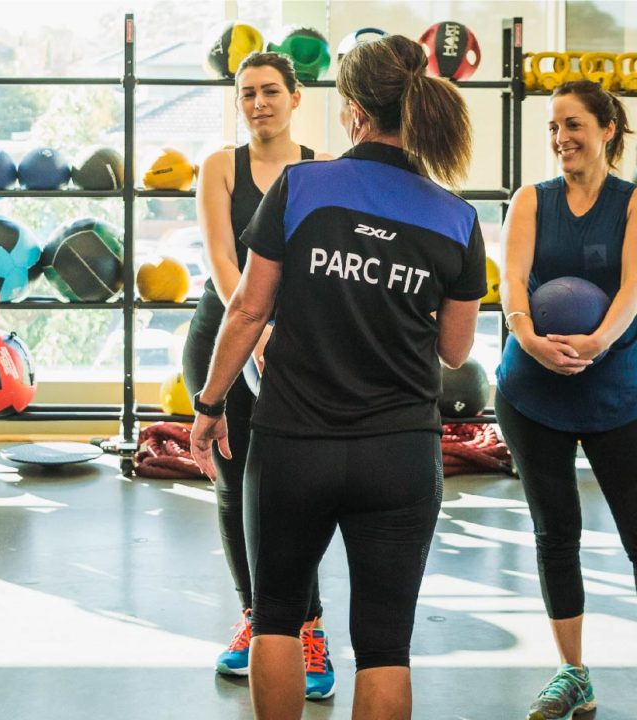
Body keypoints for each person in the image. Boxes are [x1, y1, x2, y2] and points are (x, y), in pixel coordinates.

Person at [191, 35, 484, 720]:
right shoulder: (457, 217)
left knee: (277, 619)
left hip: (296, 445)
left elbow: (247, 310)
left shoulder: (302, 186)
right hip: (400, 455)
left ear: (352, 112)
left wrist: (209, 407)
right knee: (385, 646)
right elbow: (454, 349)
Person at [181, 51, 335, 699]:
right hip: (227, 335)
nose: (258, 103)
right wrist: (256, 331)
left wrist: (286, 334)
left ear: (297, 97)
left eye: (271, 91)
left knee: (297, 488)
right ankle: (254, 615)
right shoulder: (221, 167)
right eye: (247, 93)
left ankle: (309, 626)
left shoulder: (323, 170)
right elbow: (223, 262)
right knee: (233, 481)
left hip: (292, 346)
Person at [495, 79, 636, 720]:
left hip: (618, 390)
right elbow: (513, 284)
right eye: (554, 127)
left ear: (608, 128)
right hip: (533, 389)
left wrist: (600, 342)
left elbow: (634, 289)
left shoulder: (633, 204)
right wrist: (528, 338)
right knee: (556, 534)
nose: (561, 139)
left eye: (574, 125)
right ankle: (573, 673)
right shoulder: (531, 199)